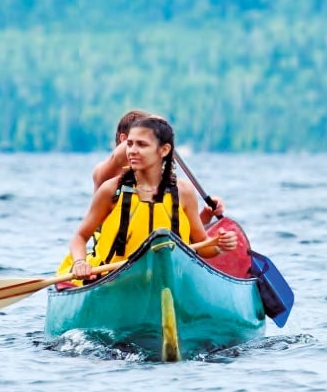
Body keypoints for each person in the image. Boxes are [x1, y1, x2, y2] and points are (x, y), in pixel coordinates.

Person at [64, 115, 238, 280]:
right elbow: (80, 237)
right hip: (116, 279)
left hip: (171, 277)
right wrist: (80, 262)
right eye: (130, 144)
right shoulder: (111, 190)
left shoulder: (184, 192)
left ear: (164, 150)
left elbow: (202, 245)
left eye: (142, 145)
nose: (132, 151)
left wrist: (219, 246)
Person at [91, 109, 224, 225]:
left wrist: (206, 216)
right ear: (124, 139)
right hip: (112, 251)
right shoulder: (104, 175)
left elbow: (182, 234)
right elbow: (116, 158)